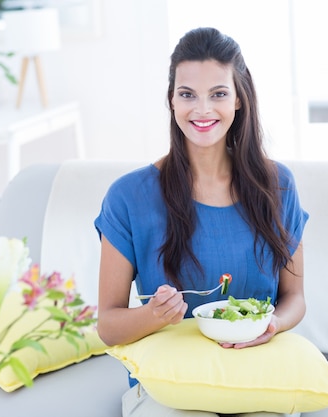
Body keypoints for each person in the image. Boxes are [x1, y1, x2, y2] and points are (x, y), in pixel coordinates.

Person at [94, 27, 309, 417]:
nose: (202, 109)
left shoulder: (278, 185)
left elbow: (295, 298)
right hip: (168, 386)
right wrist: (153, 315)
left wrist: (273, 324)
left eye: (219, 94)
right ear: (171, 100)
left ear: (240, 99)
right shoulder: (128, 197)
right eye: (187, 94)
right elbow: (107, 325)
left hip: (255, 374)